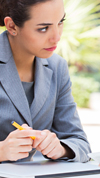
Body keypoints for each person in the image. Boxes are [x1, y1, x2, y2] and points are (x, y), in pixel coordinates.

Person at [0, 0, 91, 163]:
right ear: (12, 26)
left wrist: (61, 148)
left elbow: (81, 144)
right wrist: (1, 151)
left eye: (60, 22)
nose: (56, 37)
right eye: (43, 28)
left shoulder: (57, 67)